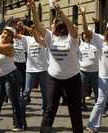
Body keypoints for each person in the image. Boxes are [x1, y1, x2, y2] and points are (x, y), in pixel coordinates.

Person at [27, 1, 83, 133]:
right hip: (54, 79)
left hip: (72, 78)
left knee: (75, 111)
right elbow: (38, 26)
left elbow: (72, 28)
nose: (50, 26)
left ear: (58, 26)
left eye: (52, 23)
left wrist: (61, 13)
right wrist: (34, 10)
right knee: (50, 109)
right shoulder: (50, 37)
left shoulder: (72, 39)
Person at [78, 6, 99, 111]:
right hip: (83, 71)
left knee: (97, 91)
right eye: (85, 34)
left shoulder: (96, 42)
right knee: (81, 90)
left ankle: (98, 107)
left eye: (89, 33)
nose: (86, 35)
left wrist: (96, 24)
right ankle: (82, 104)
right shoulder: (80, 43)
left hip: (96, 72)